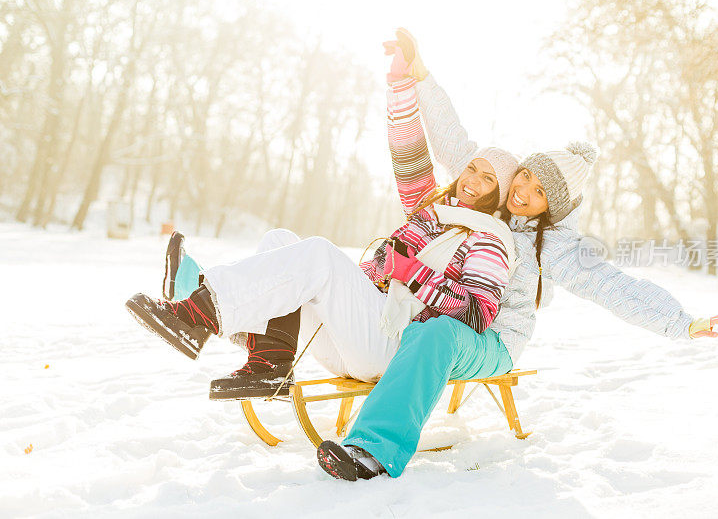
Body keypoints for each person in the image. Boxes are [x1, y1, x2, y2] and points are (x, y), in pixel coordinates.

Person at [314, 29, 718, 481]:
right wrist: (420, 74)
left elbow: (615, 287)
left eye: (539, 194)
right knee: (416, 321)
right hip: (439, 310)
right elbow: (449, 136)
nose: (523, 193)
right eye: (527, 178)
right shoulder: (494, 190)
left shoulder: (554, 246)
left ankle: (372, 452)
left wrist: (681, 322)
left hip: (492, 340)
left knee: (436, 333)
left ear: (551, 208)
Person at [125, 56, 522, 401]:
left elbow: (477, 313)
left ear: (498, 196)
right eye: (472, 168)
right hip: (353, 335)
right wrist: (400, 83)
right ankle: (271, 361)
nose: (473, 180)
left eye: (489, 179)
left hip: (393, 345)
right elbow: (406, 148)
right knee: (279, 240)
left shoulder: (488, 239)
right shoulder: (430, 210)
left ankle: (196, 311)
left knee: (319, 255)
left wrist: (410, 274)